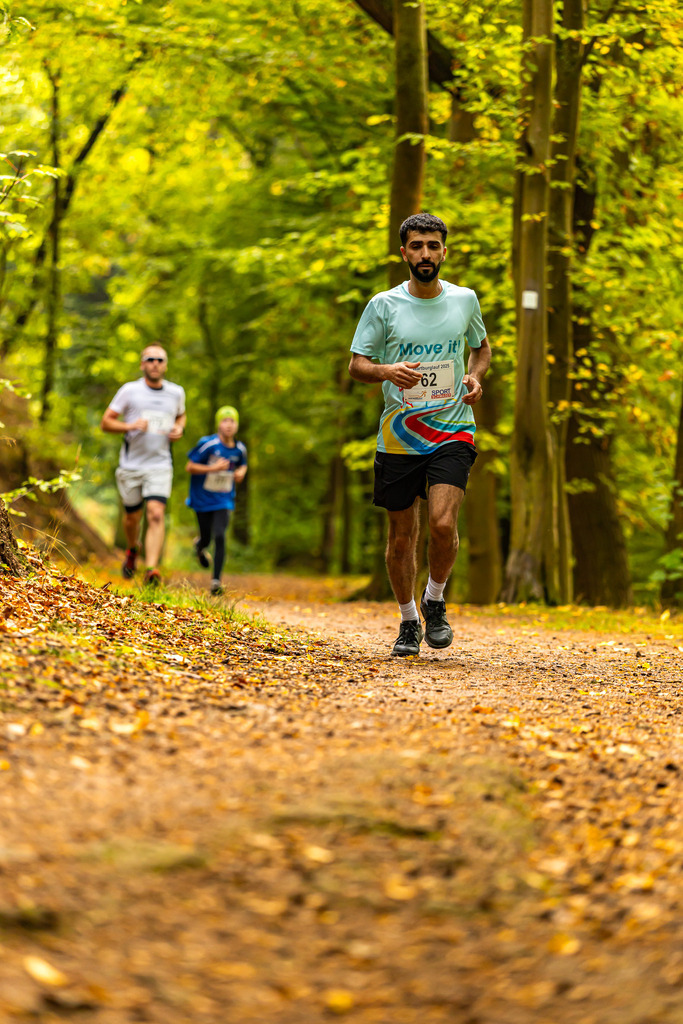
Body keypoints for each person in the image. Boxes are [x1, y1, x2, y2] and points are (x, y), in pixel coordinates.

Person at [349, 213, 491, 657]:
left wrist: (474, 376)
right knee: (400, 538)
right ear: (404, 252)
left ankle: (435, 599)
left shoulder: (464, 300)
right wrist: (387, 370)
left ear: (444, 251)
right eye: (417, 246)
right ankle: (409, 620)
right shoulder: (383, 305)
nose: (425, 254)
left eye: (433, 245)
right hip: (399, 435)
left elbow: (481, 347)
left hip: (453, 428)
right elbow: (357, 365)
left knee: (443, 523)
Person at [101, 344, 186, 586]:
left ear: (166, 365)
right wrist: (130, 426)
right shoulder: (130, 391)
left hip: (160, 464)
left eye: (160, 360)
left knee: (156, 514)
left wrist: (179, 427)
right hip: (131, 465)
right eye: (150, 359)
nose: (155, 364)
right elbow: (106, 422)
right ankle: (131, 549)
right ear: (142, 364)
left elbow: (181, 415)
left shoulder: (176, 393)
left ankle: (151, 569)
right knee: (132, 518)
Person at [185, 406, 247, 595]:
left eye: (232, 421)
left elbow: (243, 465)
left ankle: (216, 581)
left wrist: (240, 474)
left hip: (223, 498)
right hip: (202, 498)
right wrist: (213, 469)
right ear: (218, 424)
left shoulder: (239, 448)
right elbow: (190, 467)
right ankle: (200, 546)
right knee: (207, 536)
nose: (229, 425)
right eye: (225, 421)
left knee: (220, 535)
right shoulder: (208, 444)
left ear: (237, 425)